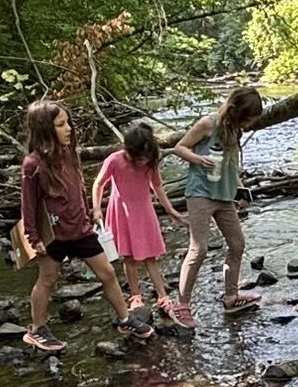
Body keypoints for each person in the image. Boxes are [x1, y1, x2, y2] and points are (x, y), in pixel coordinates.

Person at [17, 99, 155, 354]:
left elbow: (78, 186)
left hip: (80, 228)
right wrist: (32, 236)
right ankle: (37, 330)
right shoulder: (33, 164)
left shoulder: (68, 153)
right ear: (45, 129)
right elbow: (28, 204)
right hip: (55, 234)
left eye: (68, 122)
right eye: (61, 124)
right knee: (48, 279)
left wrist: (90, 211)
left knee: (108, 273)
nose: (68, 128)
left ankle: (125, 319)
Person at [175, 85, 265, 317]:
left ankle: (231, 297)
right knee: (199, 249)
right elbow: (180, 147)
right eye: (248, 120)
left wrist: (241, 190)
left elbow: (231, 164)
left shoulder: (235, 130)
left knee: (237, 244)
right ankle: (182, 304)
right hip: (200, 193)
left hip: (224, 195)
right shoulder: (208, 123)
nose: (249, 125)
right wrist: (198, 158)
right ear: (236, 111)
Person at [93, 119, 185, 323]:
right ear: (129, 151)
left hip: (144, 212)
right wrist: (97, 209)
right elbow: (99, 184)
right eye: (139, 157)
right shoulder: (115, 160)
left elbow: (157, 186)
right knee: (129, 257)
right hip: (121, 212)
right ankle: (135, 295)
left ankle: (162, 295)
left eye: (146, 157)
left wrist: (169, 209)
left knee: (151, 256)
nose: (143, 161)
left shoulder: (151, 161)